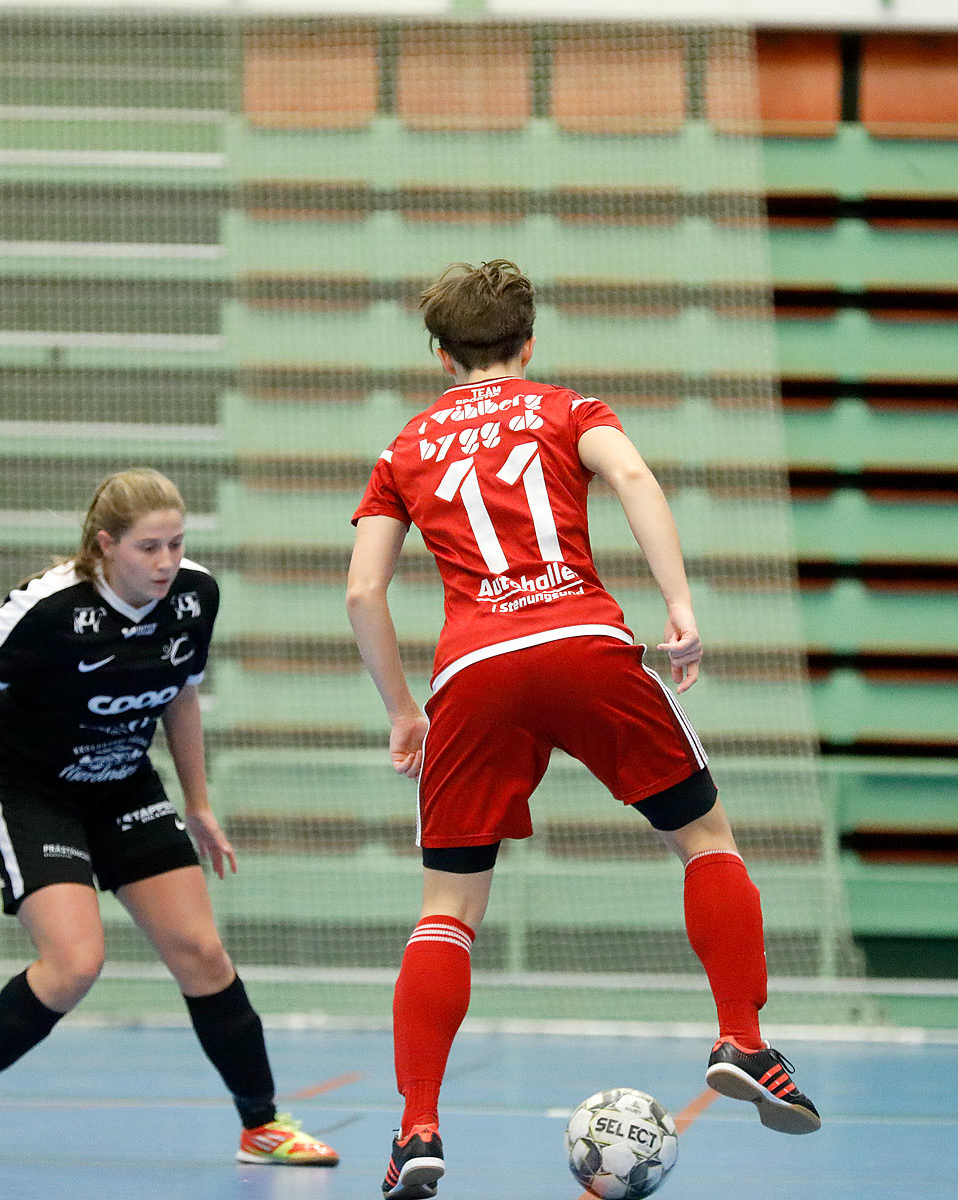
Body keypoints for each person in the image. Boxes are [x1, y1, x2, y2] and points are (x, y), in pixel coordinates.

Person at [347, 261, 820, 1198]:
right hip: (584, 639)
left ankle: (418, 1130)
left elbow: (364, 590)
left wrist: (404, 710)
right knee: (703, 838)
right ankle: (745, 1039)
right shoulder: (568, 408)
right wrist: (679, 607)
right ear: (529, 344)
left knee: (448, 909)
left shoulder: (404, 448)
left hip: (474, 671)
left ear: (440, 354)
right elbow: (633, 474)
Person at [0, 467, 338, 1169]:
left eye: (176, 543)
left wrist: (197, 805)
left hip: (122, 782)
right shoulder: (49, 608)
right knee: (76, 962)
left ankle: (262, 1126)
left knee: (202, 954)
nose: (167, 562)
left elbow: (181, 697)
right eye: (149, 547)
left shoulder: (194, 596)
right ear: (106, 545)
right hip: (31, 787)